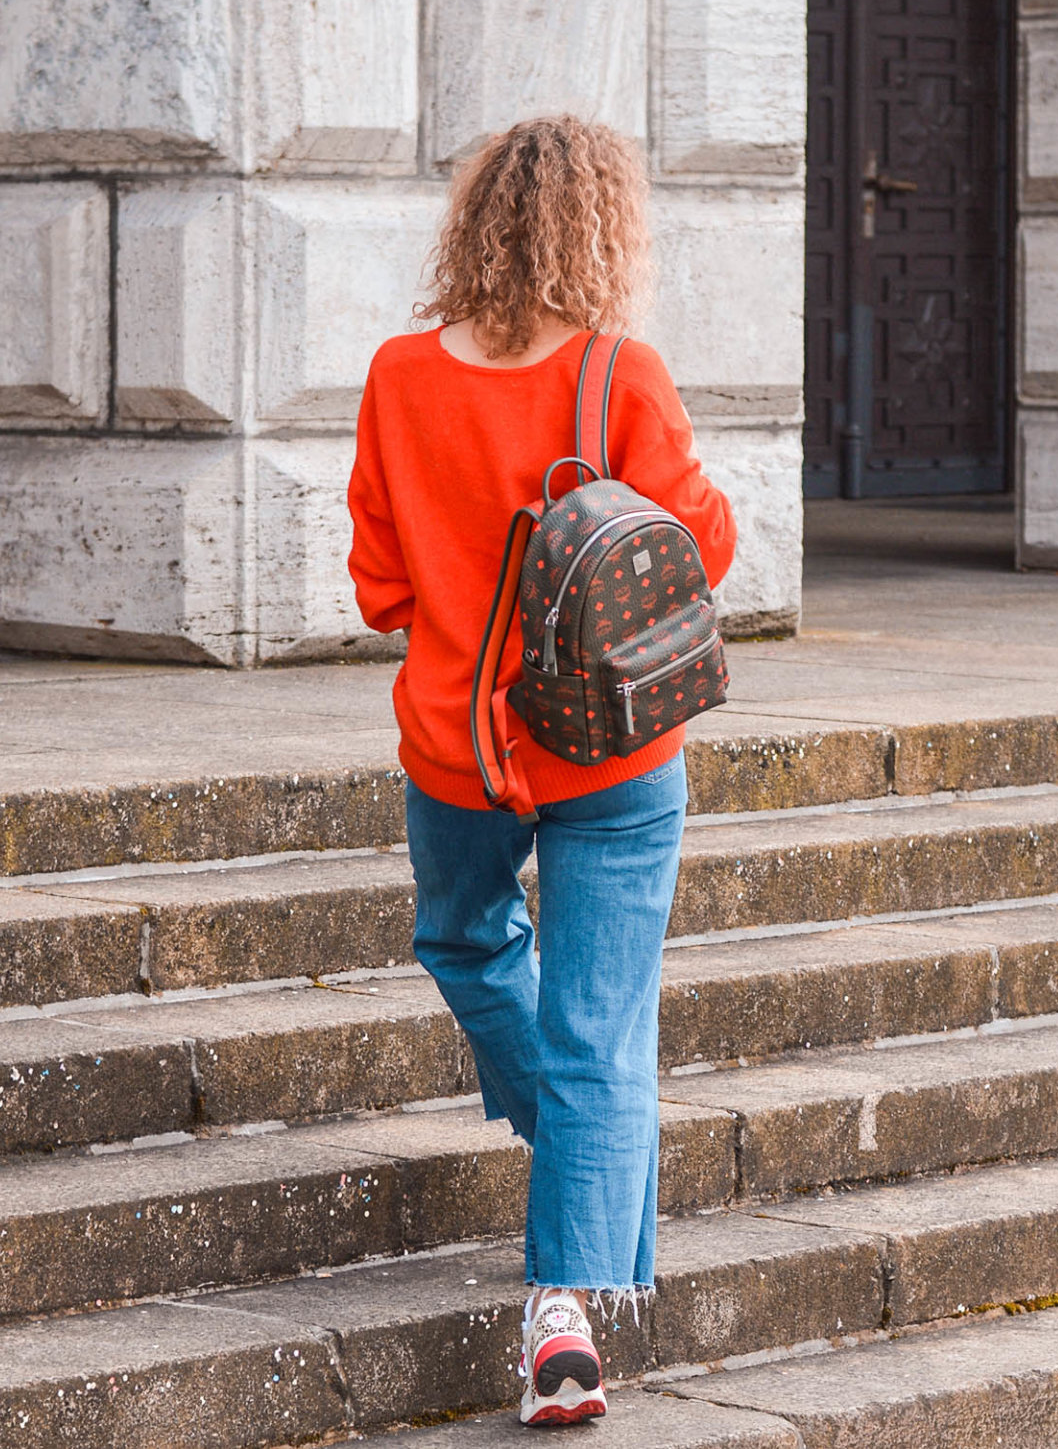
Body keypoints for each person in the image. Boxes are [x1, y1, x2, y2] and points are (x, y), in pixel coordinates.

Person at [346, 114, 736, 1428]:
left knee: (460, 939)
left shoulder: (399, 377)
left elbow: (381, 589)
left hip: (457, 741)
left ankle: (577, 1149)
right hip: (617, 751)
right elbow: (697, 558)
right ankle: (562, 1313)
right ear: (603, 232)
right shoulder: (625, 376)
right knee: (599, 1041)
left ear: (475, 225)